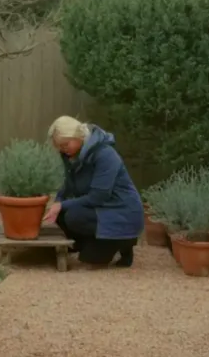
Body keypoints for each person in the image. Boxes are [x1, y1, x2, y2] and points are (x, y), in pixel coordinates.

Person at [42, 115, 144, 268]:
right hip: (100, 208)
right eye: (59, 147)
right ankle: (92, 243)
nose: (62, 150)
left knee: (74, 216)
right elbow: (68, 185)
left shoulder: (105, 155)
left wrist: (63, 205)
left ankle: (124, 242)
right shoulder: (71, 155)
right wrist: (58, 201)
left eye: (65, 145)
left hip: (121, 212)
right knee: (62, 215)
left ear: (78, 135)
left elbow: (98, 196)